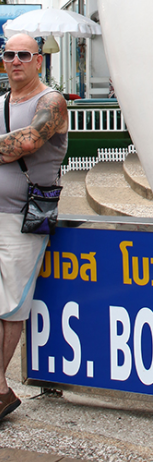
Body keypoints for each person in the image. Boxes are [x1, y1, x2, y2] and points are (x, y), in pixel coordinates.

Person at [0, 33, 68, 420]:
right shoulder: (2, 103)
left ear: (38, 61)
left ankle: (0, 390)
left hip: (23, 219)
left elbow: (27, 142)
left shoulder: (51, 102)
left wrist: (13, 145)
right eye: (9, 54)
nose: (15, 61)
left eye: (24, 55)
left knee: (11, 306)